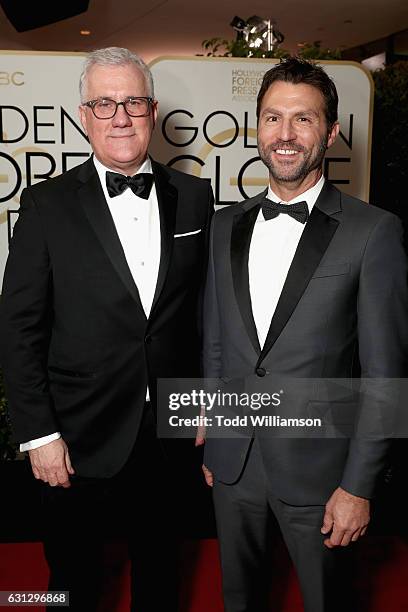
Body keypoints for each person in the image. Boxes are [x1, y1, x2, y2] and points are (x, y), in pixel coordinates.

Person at [0, 47, 213, 611]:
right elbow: (18, 326)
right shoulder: (45, 204)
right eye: (104, 103)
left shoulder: (195, 197)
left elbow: (201, 314)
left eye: (132, 102)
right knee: (71, 584)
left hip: (168, 434)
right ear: (83, 114)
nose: (119, 116)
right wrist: (39, 435)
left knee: (161, 576)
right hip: (76, 436)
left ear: (152, 109)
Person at [201, 58, 407, 612]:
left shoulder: (374, 231)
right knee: (238, 599)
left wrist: (359, 486)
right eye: (272, 118)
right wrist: (215, 435)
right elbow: (218, 338)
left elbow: (385, 375)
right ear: (257, 127)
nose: (285, 135)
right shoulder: (225, 225)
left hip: (323, 474)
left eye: (303, 119)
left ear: (331, 131)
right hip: (234, 465)